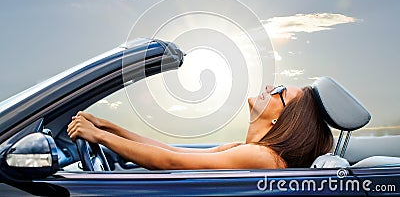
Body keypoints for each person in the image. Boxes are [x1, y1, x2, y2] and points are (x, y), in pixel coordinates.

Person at [67, 84, 333, 169]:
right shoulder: (248, 150)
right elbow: (171, 151)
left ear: (283, 120)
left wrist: (100, 137)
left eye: (280, 91)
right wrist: (106, 127)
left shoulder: (262, 157)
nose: (269, 87)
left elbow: (170, 162)